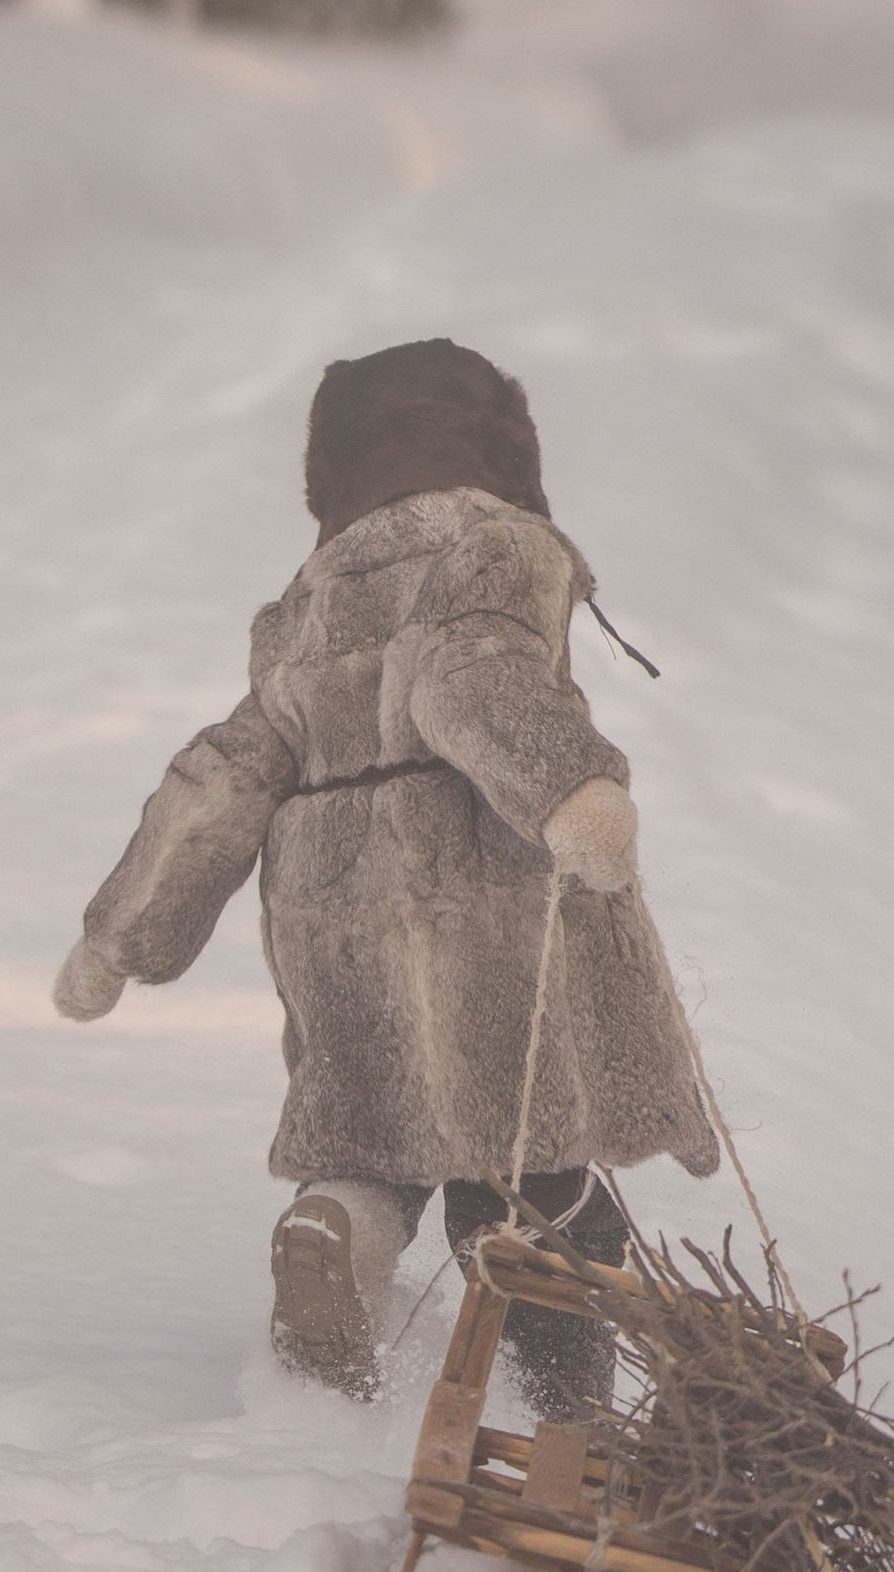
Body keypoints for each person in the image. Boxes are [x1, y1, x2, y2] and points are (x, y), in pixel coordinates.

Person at [52, 337, 717, 1407]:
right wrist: (569, 791)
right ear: (502, 448)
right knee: (532, 1168)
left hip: (334, 923)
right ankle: (571, 1419)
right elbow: (469, 679)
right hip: (484, 900)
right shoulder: (498, 544)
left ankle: (341, 1234)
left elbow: (228, 770)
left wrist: (119, 934)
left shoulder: (307, 601)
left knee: (367, 1130)